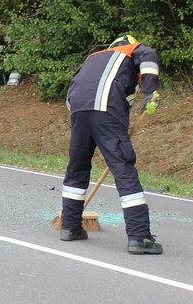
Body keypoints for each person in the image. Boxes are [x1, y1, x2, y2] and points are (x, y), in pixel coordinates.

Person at [60, 34, 163, 254]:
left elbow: (72, 94)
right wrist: (149, 92)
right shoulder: (130, 51)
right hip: (105, 111)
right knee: (123, 169)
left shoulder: (92, 59)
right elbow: (149, 56)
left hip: (78, 110)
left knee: (77, 168)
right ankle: (139, 237)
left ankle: (70, 227)